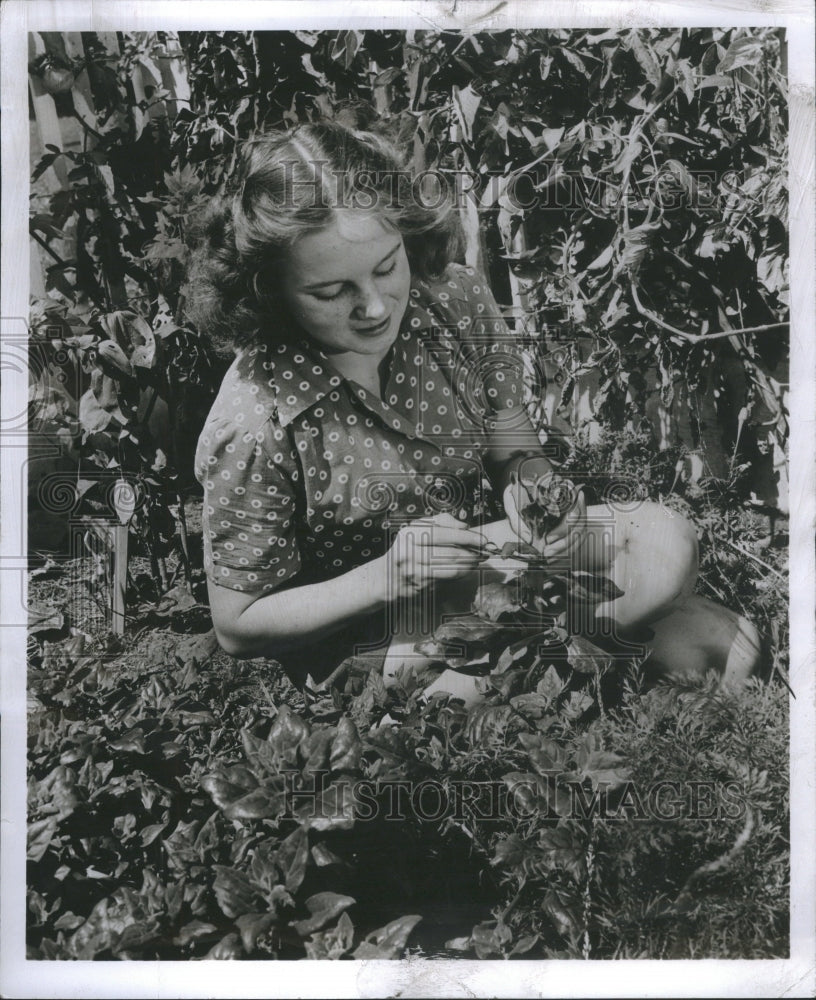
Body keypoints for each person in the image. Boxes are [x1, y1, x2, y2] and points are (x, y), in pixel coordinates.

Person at [186, 116, 762, 702]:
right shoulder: (255, 416)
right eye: (330, 292)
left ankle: (499, 689)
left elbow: (517, 454)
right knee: (683, 632)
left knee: (701, 603)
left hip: (486, 583)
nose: (374, 307)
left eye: (387, 267)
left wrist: (537, 498)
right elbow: (238, 624)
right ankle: (456, 710)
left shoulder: (455, 303)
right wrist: (386, 578)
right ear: (269, 290)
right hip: (371, 637)